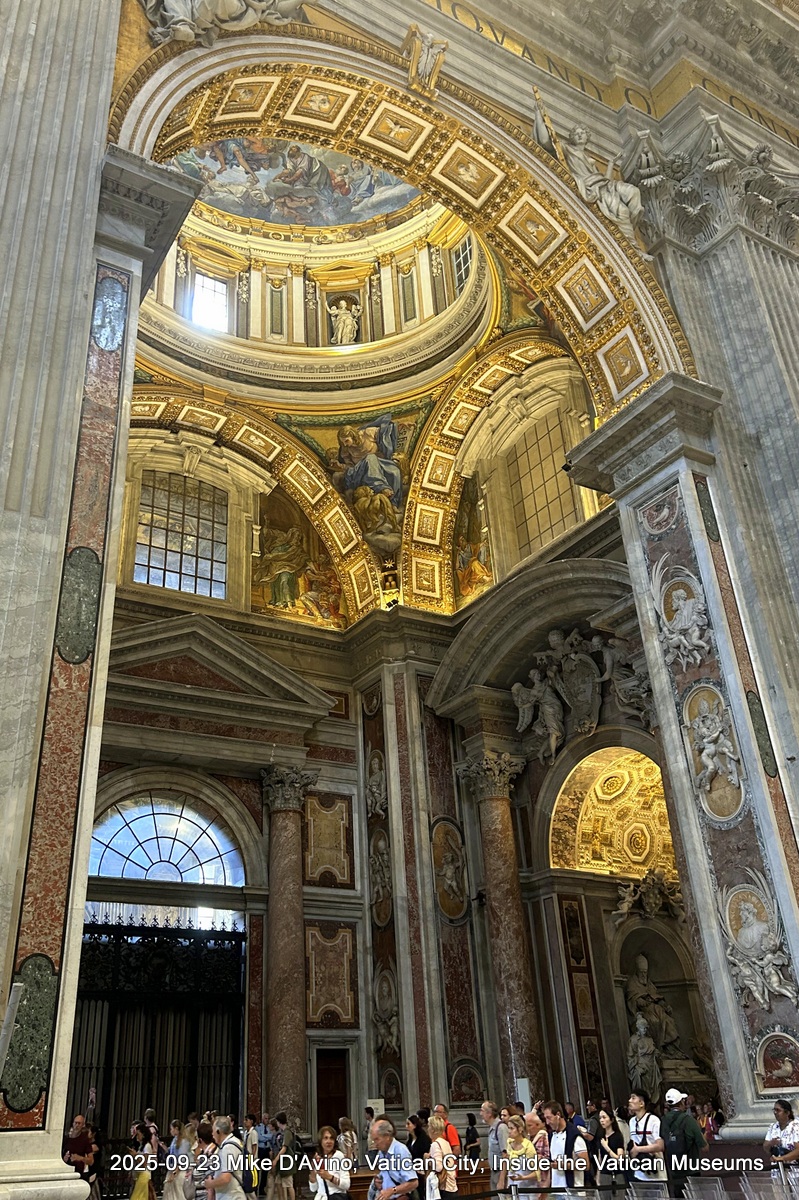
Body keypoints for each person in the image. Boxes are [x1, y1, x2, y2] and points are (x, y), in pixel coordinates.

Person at [661, 1088, 707, 1198]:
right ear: (681, 1102)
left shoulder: (662, 1120)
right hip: (691, 1169)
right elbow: (705, 1147)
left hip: (673, 1169)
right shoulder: (689, 1120)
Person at [369, 1117, 419, 1200]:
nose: (375, 1144)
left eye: (377, 1139)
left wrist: (392, 1191)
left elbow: (413, 1183)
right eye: (373, 1140)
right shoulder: (381, 1153)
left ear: (387, 1136)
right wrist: (379, 1183)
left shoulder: (400, 1151)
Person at [543, 1101, 588, 1190]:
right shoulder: (551, 1135)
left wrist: (563, 1165)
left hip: (573, 1190)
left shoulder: (574, 1135)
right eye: (545, 1119)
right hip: (556, 1189)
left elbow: (586, 1164)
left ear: (558, 1115)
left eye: (549, 1118)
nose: (547, 1122)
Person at [627, 1090, 667, 1182]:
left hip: (656, 1171)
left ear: (641, 1103)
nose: (629, 1101)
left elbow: (660, 1146)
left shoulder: (653, 1120)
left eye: (633, 1098)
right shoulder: (632, 1121)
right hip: (639, 1172)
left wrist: (638, 1149)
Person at [207, 1115, 246, 1200]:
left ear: (218, 1131)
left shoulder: (228, 1148)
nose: (212, 1134)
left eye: (213, 1131)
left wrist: (210, 1183)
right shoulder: (234, 1142)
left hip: (231, 1196)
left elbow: (226, 1178)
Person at [309, 1125, 351, 1200]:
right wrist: (312, 1173)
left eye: (331, 1138)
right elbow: (313, 1188)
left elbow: (346, 1185)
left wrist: (330, 1177)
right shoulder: (318, 1158)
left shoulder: (338, 1156)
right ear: (320, 1141)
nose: (329, 1141)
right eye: (326, 1138)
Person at [480, 1101, 508, 1192]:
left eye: (482, 1111)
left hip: (501, 1172)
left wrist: (502, 1179)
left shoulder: (501, 1128)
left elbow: (506, 1155)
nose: (480, 1114)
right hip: (494, 1172)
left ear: (489, 1113)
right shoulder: (492, 1128)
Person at [504, 1115, 539, 1188]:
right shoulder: (509, 1144)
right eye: (508, 1128)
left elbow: (537, 1172)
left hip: (527, 1188)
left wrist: (522, 1178)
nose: (509, 1131)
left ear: (520, 1129)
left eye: (512, 1128)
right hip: (512, 1186)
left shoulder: (528, 1147)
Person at [427, 1115, 457, 1198]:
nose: (427, 1129)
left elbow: (438, 1167)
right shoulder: (446, 1143)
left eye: (429, 1126)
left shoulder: (435, 1144)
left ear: (433, 1129)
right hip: (451, 1185)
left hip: (443, 1187)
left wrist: (428, 1160)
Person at [763, 1099, 799, 1168]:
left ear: (787, 1113)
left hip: (793, 1169)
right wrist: (771, 1143)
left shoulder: (796, 1126)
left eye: (778, 1110)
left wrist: (781, 1158)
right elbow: (765, 1147)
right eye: (774, 1110)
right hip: (777, 1168)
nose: (775, 1113)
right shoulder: (772, 1127)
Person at [593, 1107, 625, 1185]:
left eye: (604, 1117)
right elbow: (600, 1157)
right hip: (604, 1173)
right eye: (600, 1118)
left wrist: (607, 1148)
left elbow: (620, 1158)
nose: (601, 1120)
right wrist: (598, 1175)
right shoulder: (601, 1136)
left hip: (616, 1173)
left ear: (611, 1119)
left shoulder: (617, 1136)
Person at [164, 1118, 193, 1200]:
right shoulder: (175, 1140)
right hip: (173, 1169)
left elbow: (181, 1159)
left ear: (176, 1129)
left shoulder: (184, 1141)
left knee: (178, 1195)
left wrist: (174, 1173)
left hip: (179, 1171)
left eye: (171, 1129)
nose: (170, 1131)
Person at [130, 1121, 158, 1200]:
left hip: (144, 1175)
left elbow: (144, 1163)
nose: (137, 1137)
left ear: (143, 1134)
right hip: (140, 1174)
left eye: (138, 1134)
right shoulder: (141, 1146)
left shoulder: (147, 1146)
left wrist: (135, 1155)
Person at [63, 1114, 94, 1180]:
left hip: (78, 1173)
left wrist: (80, 1158)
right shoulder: (66, 1139)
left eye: (79, 1123)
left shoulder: (85, 1140)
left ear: (83, 1125)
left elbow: (91, 1161)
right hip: (66, 1171)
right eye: (75, 1123)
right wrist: (64, 1158)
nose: (76, 1125)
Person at [272, 1112, 295, 1200]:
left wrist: (276, 1159)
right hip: (281, 1161)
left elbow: (284, 1148)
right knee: (279, 1183)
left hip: (286, 1161)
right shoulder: (282, 1132)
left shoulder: (287, 1132)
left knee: (288, 1184)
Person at [524, 1110, 550, 1188]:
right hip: (531, 1179)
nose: (527, 1129)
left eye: (529, 1125)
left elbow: (547, 1158)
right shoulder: (529, 1138)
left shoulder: (543, 1137)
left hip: (542, 1178)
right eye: (526, 1126)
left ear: (538, 1125)